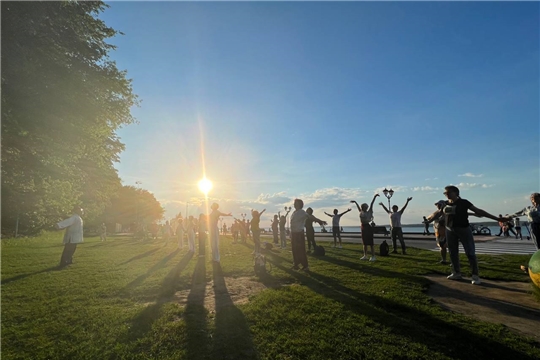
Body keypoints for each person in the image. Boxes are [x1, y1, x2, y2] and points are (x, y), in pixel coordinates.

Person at [435, 185, 507, 285]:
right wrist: (429, 220)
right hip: (449, 230)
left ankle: (475, 275)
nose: (446, 194)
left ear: (456, 192)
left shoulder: (464, 202)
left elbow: (478, 211)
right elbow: (438, 213)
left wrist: (497, 219)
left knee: (470, 252)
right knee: (452, 252)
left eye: (448, 192)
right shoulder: (445, 204)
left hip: (463, 229)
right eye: (445, 193)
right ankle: (456, 273)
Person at [289, 199, 326, 272]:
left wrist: (319, 221)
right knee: (294, 250)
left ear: (299, 204)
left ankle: (305, 266)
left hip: (299, 234)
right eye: (294, 203)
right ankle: (296, 264)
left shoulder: (302, 212)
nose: (294, 204)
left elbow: (311, 217)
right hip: (294, 233)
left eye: (295, 203)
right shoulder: (294, 212)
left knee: (301, 250)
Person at [351, 194, 379, 261]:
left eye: (366, 206)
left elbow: (372, 203)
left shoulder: (369, 212)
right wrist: (355, 202)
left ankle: (373, 256)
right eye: (364, 206)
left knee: (371, 243)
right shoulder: (361, 212)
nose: (366, 207)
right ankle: (365, 255)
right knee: (364, 243)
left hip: (367, 226)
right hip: (363, 227)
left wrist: (374, 197)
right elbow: (358, 208)